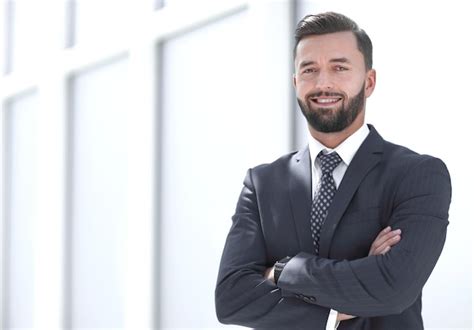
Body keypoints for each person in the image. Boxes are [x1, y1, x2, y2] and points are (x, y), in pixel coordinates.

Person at [215, 11, 451, 330]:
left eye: (339, 67)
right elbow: (231, 299)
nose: (323, 83)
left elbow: (394, 289)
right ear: (296, 83)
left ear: (369, 81)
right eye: (309, 70)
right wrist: (344, 296)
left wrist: (284, 270)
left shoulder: (417, 175)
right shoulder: (262, 184)